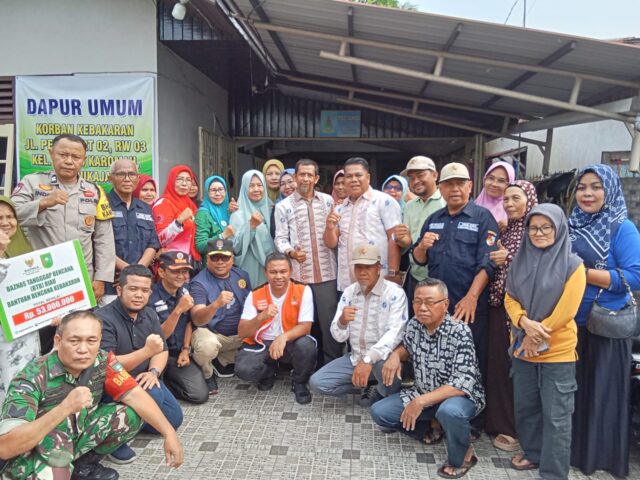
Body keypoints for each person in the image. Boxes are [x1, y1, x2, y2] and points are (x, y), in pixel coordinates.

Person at [0, 311, 183, 480]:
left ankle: (82, 467)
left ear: (99, 340)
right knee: (53, 475)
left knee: (131, 414)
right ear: (58, 340)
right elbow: (6, 447)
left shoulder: (102, 360)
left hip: (74, 435)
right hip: (37, 448)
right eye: (74, 341)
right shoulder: (31, 377)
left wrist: (169, 434)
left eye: (91, 340)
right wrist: (65, 408)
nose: (83, 349)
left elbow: (135, 395)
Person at [370, 278, 485, 479]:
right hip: (423, 392)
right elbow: (406, 348)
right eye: (418, 301)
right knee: (380, 413)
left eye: (430, 302)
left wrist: (420, 402)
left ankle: (463, 456)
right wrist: (396, 355)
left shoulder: (459, 331)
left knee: (450, 411)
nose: (422, 308)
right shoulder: (415, 325)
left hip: (458, 397)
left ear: (445, 304)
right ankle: (435, 425)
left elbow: (461, 385)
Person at [11, 133, 115, 352]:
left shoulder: (95, 191)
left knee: (77, 340)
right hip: (41, 283)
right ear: (51, 154)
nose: (69, 161)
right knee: (43, 342)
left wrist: (101, 278)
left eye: (76, 157)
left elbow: (104, 239)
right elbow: (10, 215)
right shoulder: (32, 183)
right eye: (63, 154)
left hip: (80, 282)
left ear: (83, 160)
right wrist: (42, 203)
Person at [569, 164, 640, 477]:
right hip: (572, 324)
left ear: (609, 190)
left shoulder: (622, 227)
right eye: (582, 187)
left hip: (606, 325)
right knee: (577, 393)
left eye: (596, 187)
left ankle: (599, 458)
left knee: (602, 395)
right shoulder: (571, 224)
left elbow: (635, 276)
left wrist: (584, 274)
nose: (587, 193)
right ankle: (574, 453)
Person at [505, 204, 585, 479]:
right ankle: (533, 454)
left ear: (558, 228)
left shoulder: (573, 265)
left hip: (557, 352)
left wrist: (534, 336)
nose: (538, 233)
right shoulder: (519, 261)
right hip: (522, 347)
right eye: (533, 228)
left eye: (546, 227)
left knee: (556, 416)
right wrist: (523, 322)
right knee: (526, 407)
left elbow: (566, 311)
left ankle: (553, 472)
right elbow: (510, 297)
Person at [412, 162, 498, 393]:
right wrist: (422, 246)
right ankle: (437, 405)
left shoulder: (483, 218)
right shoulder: (433, 219)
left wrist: (471, 297)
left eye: (460, 183)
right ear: (440, 188)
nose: (455, 189)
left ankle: (472, 409)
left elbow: (488, 262)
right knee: (438, 356)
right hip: (437, 306)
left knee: (471, 357)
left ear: (470, 186)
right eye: (449, 184)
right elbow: (419, 259)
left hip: (467, 305)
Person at [95, 265, 183, 465]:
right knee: (154, 394)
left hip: (143, 377)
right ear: (119, 290)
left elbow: (161, 349)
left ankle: (130, 419)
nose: (139, 295)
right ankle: (111, 436)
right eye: (133, 289)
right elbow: (107, 366)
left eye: (145, 290)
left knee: (174, 419)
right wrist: (146, 352)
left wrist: (154, 371)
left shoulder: (149, 314)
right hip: (113, 384)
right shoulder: (103, 319)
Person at [309, 244, 408, 405]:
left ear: (379, 268)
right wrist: (342, 322)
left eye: (368, 267)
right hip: (355, 358)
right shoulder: (349, 292)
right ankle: (368, 383)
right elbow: (339, 337)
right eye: (359, 267)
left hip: (382, 359)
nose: (362, 272)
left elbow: (395, 333)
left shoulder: (395, 293)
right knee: (318, 383)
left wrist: (368, 360)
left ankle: (383, 392)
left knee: (385, 368)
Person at [485, 181, 538, 452]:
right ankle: (498, 422)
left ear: (530, 200)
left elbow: (541, 267)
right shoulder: (507, 229)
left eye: (516, 198)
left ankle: (514, 429)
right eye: (506, 199)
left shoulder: (536, 230)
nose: (509, 204)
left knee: (518, 371)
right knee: (498, 367)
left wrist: (509, 259)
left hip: (524, 313)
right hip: (499, 306)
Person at [274, 159, 341, 365]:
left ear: (316, 178)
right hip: (299, 276)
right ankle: (303, 366)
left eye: (309, 175)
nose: (305, 179)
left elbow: (336, 232)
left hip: (327, 274)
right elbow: (280, 238)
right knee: (302, 323)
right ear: (295, 177)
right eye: (301, 174)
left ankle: (331, 365)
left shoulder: (328, 201)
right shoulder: (283, 206)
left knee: (329, 323)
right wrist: (291, 252)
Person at [234, 252, 317, 404]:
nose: (278, 276)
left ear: (290, 271)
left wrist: (283, 337)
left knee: (307, 345)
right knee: (244, 370)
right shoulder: (255, 294)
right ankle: (268, 372)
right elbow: (242, 332)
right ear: (265, 273)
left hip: (290, 342)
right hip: (262, 344)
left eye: (283, 271)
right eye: (273, 272)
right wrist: (261, 317)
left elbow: (306, 327)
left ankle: (299, 382)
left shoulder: (303, 290)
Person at [324, 157, 402, 292]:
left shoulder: (384, 202)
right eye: (349, 176)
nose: (353, 180)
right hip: (347, 284)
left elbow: (394, 238)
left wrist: (393, 273)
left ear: (368, 177)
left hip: (378, 281)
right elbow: (331, 244)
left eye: (358, 175)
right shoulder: (340, 209)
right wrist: (329, 228)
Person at [189, 239, 252, 395]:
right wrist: (215, 304)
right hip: (214, 333)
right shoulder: (199, 282)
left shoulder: (242, 275)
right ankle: (206, 373)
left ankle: (222, 359)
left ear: (232, 258)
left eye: (225, 257)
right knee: (206, 345)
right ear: (207, 259)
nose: (220, 262)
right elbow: (197, 319)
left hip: (239, 335)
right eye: (215, 257)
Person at [149, 251, 208, 405]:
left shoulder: (185, 291)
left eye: (185, 271)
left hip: (178, 354)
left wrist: (185, 349)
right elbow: (160, 336)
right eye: (175, 271)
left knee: (199, 395)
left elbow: (188, 322)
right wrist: (178, 310)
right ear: (161, 272)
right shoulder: (150, 297)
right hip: (156, 354)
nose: (181, 276)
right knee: (155, 395)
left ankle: (169, 382)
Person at [393, 156, 446, 315]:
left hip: (440, 278)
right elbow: (408, 242)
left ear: (435, 175)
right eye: (412, 178)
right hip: (416, 276)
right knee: (417, 320)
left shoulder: (445, 202)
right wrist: (400, 238)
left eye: (421, 175)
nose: (416, 181)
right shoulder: (409, 206)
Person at [0, 196, 39, 404]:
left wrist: (49, 313)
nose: (6, 222)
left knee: (23, 388)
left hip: (25, 337)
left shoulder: (22, 248)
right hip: (3, 338)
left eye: (10, 216)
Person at [105, 159, 160, 305]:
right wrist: (129, 272)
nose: (127, 179)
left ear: (138, 178)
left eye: (131, 174)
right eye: (121, 174)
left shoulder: (145, 208)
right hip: (112, 284)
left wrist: (136, 272)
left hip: (141, 284)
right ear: (110, 178)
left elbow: (153, 243)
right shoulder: (102, 205)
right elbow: (99, 244)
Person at [229, 170, 275, 287]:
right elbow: (234, 247)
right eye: (251, 186)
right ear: (244, 188)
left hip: (274, 267)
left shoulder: (273, 209)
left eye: (259, 185)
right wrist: (251, 227)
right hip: (250, 266)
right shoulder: (237, 214)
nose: (256, 189)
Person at [152, 165, 200, 263]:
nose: (184, 183)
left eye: (188, 180)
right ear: (172, 181)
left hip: (189, 262)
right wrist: (179, 221)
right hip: (170, 263)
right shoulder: (163, 203)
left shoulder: (190, 204)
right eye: (179, 179)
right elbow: (160, 240)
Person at [194, 175, 238, 268]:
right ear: (207, 193)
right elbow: (200, 246)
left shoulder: (228, 210)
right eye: (213, 190)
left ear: (225, 191)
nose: (218, 193)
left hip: (230, 265)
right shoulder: (203, 213)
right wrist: (222, 236)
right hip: (213, 267)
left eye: (221, 189)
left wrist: (234, 214)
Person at [474, 160, 516, 231]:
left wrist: (511, 223)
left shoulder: (513, 210)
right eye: (491, 178)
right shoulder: (472, 207)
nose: (494, 184)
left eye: (501, 181)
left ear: (509, 184)